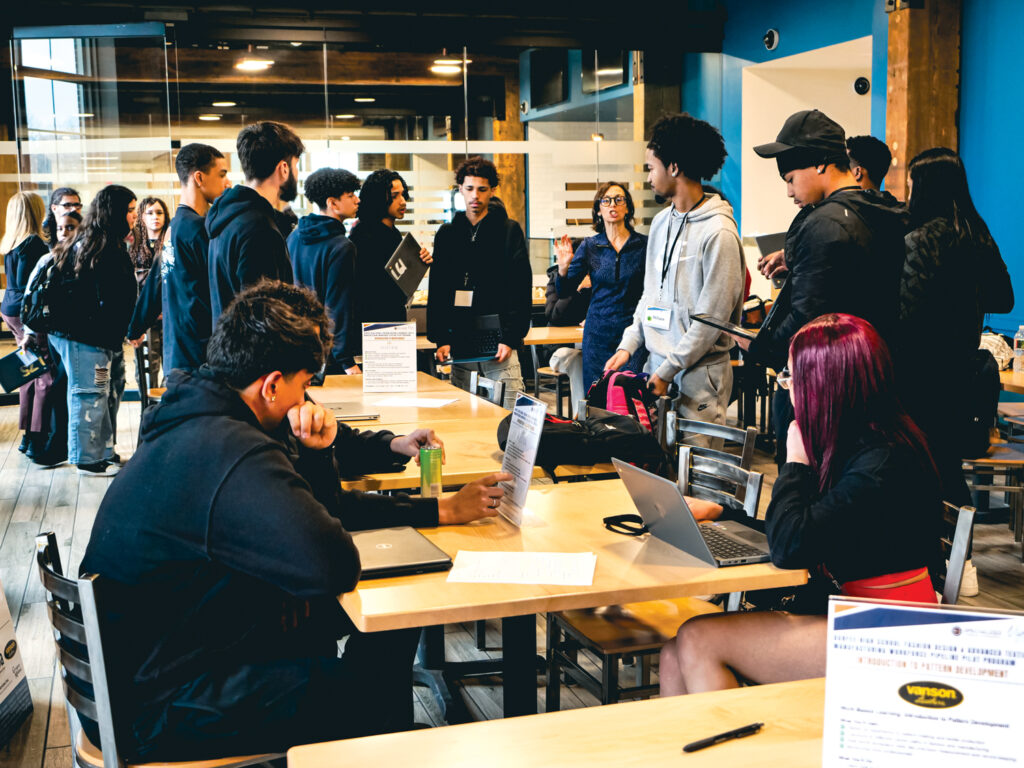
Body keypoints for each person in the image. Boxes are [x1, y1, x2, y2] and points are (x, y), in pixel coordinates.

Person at [79, 280, 511, 760]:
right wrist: (318, 457)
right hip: (163, 706)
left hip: (148, 669)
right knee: (369, 687)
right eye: (304, 385)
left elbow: (316, 537)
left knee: (375, 623)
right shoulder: (231, 450)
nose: (306, 401)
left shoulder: (192, 419)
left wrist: (324, 459)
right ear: (270, 385)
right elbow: (332, 564)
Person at [659, 314, 942, 696]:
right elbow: (817, 530)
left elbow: (792, 547)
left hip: (890, 629)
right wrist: (724, 514)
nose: (787, 386)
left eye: (792, 376)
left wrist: (795, 464)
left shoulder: (882, 461)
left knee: (697, 639)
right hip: (847, 605)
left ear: (824, 384)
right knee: (672, 652)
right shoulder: (859, 439)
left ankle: (739, 751)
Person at [748, 110, 908, 462]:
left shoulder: (825, 224)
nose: (789, 192)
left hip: (824, 388)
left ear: (820, 164)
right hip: (872, 378)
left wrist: (759, 348)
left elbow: (808, 315)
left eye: (790, 178)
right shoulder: (881, 211)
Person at [899, 147, 1014, 597]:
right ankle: (959, 567)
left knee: (925, 470)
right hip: (962, 373)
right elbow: (1003, 300)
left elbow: (904, 314)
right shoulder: (977, 234)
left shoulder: (917, 239)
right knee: (947, 468)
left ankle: (938, 567)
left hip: (917, 374)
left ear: (921, 186)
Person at [606, 114, 744, 436]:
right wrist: (629, 344)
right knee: (657, 474)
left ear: (674, 168)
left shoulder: (719, 232)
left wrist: (670, 369)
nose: (649, 177)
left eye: (651, 168)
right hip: (656, 368)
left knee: (694, 480)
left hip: (699, 377)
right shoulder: (660, 223)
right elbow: (650, 295)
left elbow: (712, 320)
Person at [428, 157, 532, 409]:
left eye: (482, 189)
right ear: (460, 189)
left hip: (499, 340)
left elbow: (520, 286)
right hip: (461, 340)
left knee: (510, 413)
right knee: (465, 414)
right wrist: (441, 337)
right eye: (470, 188)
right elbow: (439, 288)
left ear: (492, 191)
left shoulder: (508, 231)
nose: (475, 196)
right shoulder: (448, 234)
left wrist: (510, 337)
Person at [48, 185, 138, 476]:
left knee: (104, 392)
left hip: (96, 340)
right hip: (86, 341)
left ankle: (103, 450)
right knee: (91, 394)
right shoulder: (98, 246)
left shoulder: (98, 241)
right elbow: (105, 299)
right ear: (115, 213)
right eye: (130, 210)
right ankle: (87, 459)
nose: (134, 216)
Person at [128, 144, 231, 376]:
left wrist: (135, 327)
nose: (228, 183)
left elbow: (156, 281)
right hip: (200, 354)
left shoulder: (175, 227)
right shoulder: (198, 230)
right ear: (199, 177)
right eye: (222, 174)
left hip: (179, 351)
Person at [554, 182, 647, 393]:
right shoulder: (590, 246)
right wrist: (563, 268)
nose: (612, 205)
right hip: (597, 335)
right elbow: (564, 291)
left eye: (618, 199)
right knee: (597, 398)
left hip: (632, 333)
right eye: (606, 200)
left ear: (628, 208)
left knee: (631, 396)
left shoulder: (643, 245)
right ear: (598, 209)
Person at [208, 121, 302, 324]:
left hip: (227, 349)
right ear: (283, 169)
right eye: (295, 166)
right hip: (254, 354)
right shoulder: (260, 229)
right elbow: (263, 316)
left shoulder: (227, 218)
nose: (296, 173)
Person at [287, 167, 362, 374]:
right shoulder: (341, 247)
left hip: (295, 346)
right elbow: (338, 306)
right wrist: (347, 361)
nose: (357, 200)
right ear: (332, 203)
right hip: (328, 356)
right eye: (350, 195)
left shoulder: (293, 238)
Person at [0, 192, 52, 457]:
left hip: (9, 309)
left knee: (28, 372)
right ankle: (37, 436)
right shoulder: (33, 244)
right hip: (26, 314)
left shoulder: (11, 242)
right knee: (45, 376)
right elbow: (30, 288)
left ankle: (26, 436)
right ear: (35, 211)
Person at [349, 168, 431, 335]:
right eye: (394, 196)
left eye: (403, 194)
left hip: (392, 321)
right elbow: (371, 289)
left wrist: (419, 262)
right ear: (378, 198)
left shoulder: (391, 233)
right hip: (374, 327)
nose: (403, 202)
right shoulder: (364, 237)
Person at [127, 197, 170, 386]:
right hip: (145, 319)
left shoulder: (171, 245)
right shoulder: (134, 247)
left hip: (169, 318)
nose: (155, 217)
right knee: (146, 371)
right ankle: (147, 411)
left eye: (159, 212)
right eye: (150, 213)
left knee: (171, 368)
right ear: (142, 217)